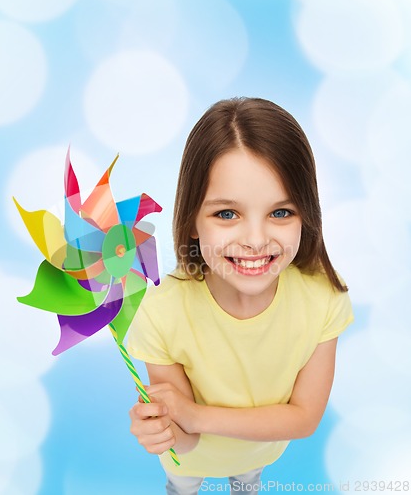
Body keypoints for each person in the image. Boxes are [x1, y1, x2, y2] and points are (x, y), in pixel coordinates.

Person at [126, 97, 353, 495]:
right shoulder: (161, 310)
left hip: (260, 453)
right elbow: (188, 440)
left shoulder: (323, 300)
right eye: (227, 214)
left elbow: (303, 419)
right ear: (192, 220)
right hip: (190, 460)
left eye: (281, 212)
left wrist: (194, 415)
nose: (255, 240)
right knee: (183, 484)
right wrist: (164, 428)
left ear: (308, 214)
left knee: (248, 479)